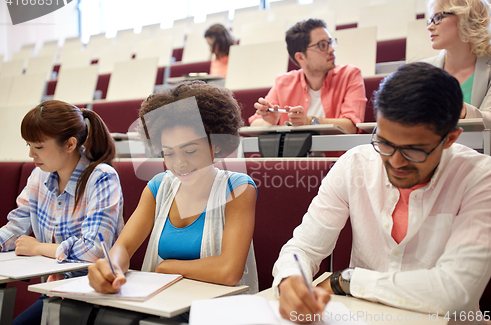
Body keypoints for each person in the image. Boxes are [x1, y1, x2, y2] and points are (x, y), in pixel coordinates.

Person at [272, 63, 491, 323]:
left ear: (450, 138)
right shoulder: (355, 164)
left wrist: (345, 281)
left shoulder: (484, 179)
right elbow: (303, 246)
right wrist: (292, 278)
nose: (396, 162)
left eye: (414, 150)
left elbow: (452, 292)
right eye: (385, 143)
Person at [87, 81, 258, 302]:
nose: (179, 164)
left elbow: (228, 271)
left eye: (190, 150)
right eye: (168, 153)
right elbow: (124, 247)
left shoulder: (238, 189)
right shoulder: (158, 187)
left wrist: (169, 267)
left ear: (215, 145)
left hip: (217, 310)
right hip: (163, 306)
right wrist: (112, 268)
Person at [0, 100, 124, 325]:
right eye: (28, 145)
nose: (31, 154)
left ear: (69, 144)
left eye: (38, 147)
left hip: (95, 295)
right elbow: (15, 228)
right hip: (55, 291)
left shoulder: (102, 177)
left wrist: (38, 248)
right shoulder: (40, 175)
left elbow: (94, 251)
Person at [249, 18, 367, 133]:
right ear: (300, 57)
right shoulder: (283, 82)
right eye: (322, 45)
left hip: (338, 153)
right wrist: (271, 122)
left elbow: (351, 126)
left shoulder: (350, 75)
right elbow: (254, 124)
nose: (331, 49)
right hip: (294, 153)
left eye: (330, 42)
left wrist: (309, 121)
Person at [424, 0, 491, 155]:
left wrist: (457, 108)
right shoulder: (425, 69)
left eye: (438, 18)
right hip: (432, 155)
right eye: (430, 20)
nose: (430, 26)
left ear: (466, 17)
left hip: (481, 156)